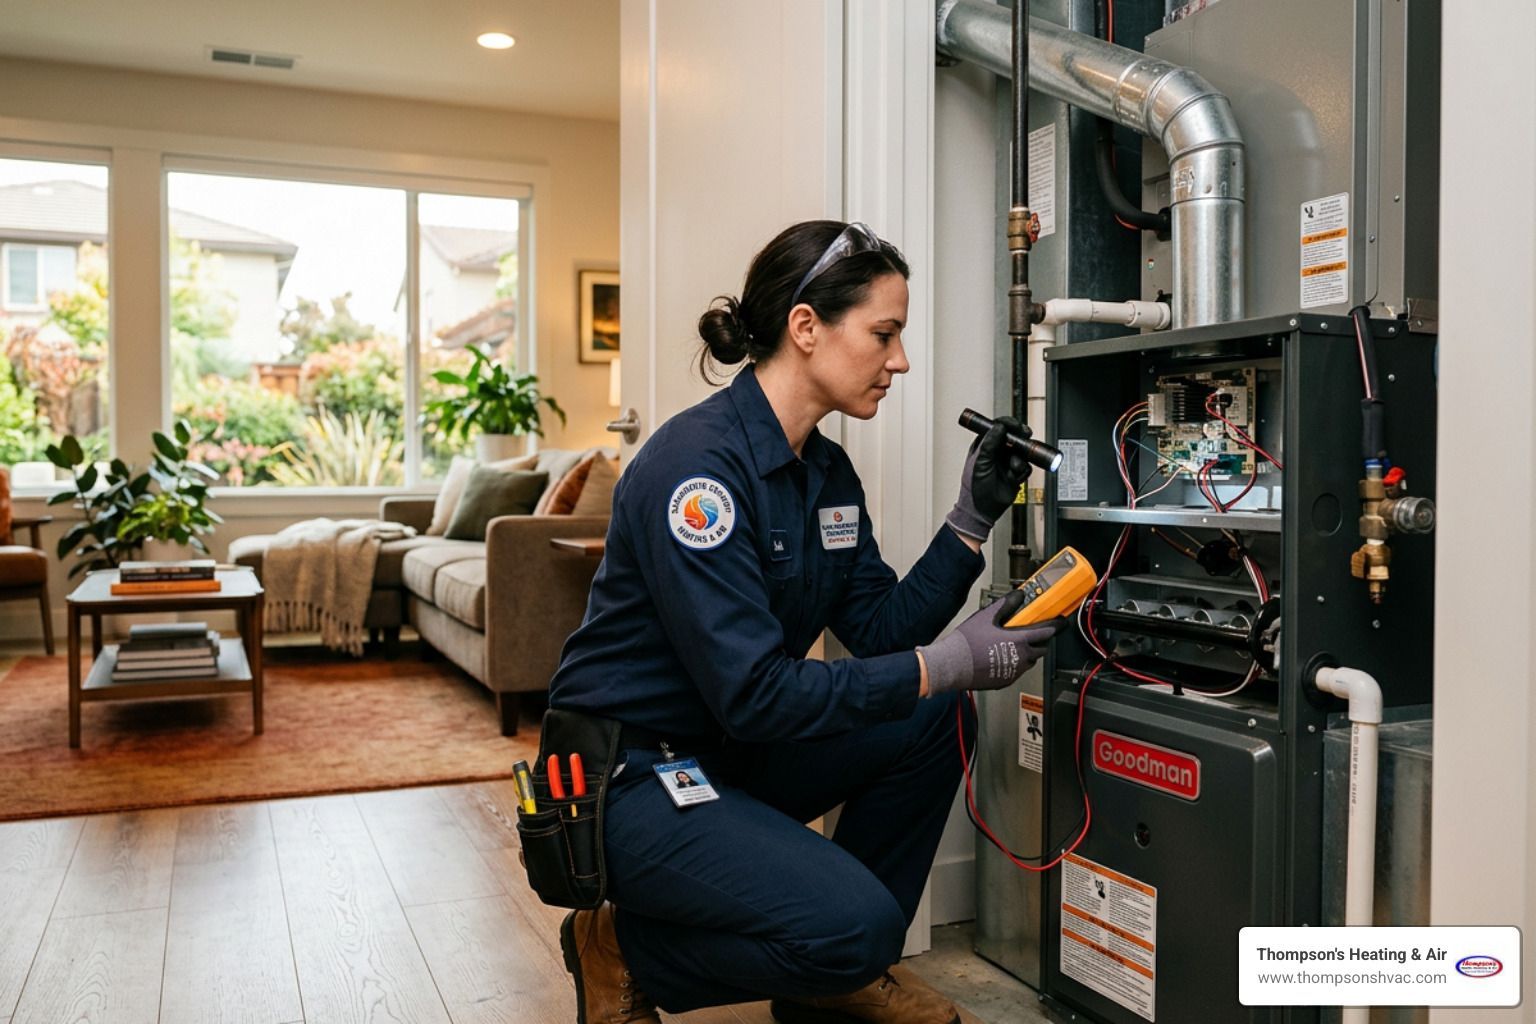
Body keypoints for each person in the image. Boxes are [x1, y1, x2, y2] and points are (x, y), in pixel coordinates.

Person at [547, 220, 1061, 1024]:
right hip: (632, 776)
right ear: (806, 327)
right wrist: (951, 659)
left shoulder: (824, 469)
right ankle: (625, 949)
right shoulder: (699, 475)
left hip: (730, 751)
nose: (900, 360)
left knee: (935, 719)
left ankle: (833, 974)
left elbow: (883, 631)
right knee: (859, 925)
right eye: (884, 334)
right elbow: (757, 694)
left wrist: (970, 521)